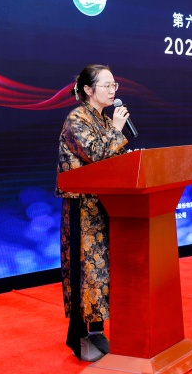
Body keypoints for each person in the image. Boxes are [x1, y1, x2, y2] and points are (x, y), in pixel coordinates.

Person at [55, 64, 129, 361]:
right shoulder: (77, 118)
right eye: (107, 85)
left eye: (114, 85)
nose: (113, 91)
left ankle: (98, 331)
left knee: (101, 272)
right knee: (84, 271)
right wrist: (117, 129)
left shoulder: (102, 119)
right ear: (88, 89)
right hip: (82, 207)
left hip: (105, 204)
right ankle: (80, 337)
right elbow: (96, 154)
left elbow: (113, 159)